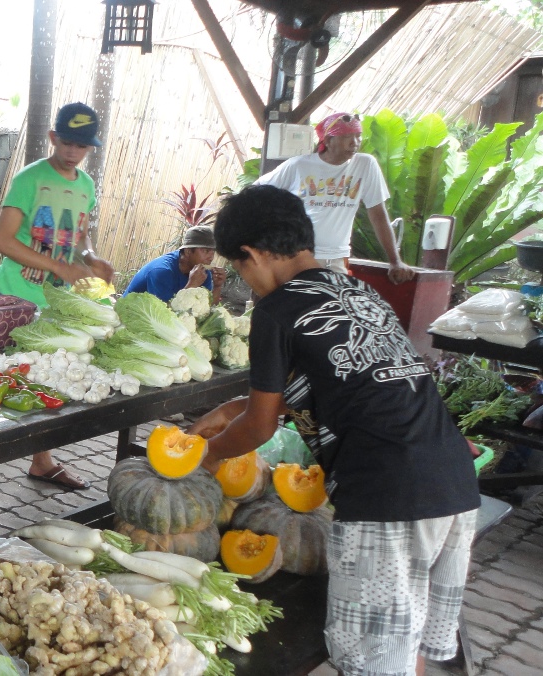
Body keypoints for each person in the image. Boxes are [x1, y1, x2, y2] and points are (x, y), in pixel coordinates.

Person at [190, 184, 480, 676]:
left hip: (386, 491)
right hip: (450, 479)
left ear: (255, 254)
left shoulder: (277, 308)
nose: (246, 280)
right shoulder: (357, 291)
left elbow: (260, 427)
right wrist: (232, 407)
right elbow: (343, 382)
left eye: (240, 267)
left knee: (371, 659)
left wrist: (206, 455)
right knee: (405, 646)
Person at [0, 102, 114, 496]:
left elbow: (79, 237)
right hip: (15, 299)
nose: (73, 151)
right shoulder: (29, 179)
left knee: (45, 382)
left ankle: (42, 462)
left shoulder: (86, 186)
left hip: (58, 302)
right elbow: (2, 241)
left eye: (82, 146)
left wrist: (91, 258)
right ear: (53, 138)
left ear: (91, 148)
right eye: (67, 142)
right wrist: (59, 267)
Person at [254, 112, 414, 283]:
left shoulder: (366, 165)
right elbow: (255, 193)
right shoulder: (299, 165)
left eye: (358, 136)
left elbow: (378, 214)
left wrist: (395, 261)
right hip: (298, 256)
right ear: (328, 141)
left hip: (337, 258)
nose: (355, 142)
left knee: (334, 306)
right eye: (347, 137)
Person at [124, 225, 225, 303]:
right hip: (130, 315)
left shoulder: (202, 271)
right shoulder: (162, 271)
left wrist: (217, 286)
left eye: (213, 251)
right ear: (188, 251)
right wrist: (192, 285)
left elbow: (208, 307)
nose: (211, 257)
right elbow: (163, 314)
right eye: (206, 251)